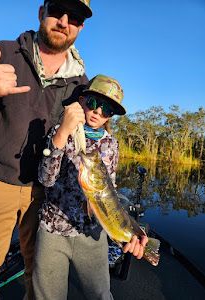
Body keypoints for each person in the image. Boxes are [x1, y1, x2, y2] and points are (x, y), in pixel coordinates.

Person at [0, 0, 92, 299]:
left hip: (43, 193)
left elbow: (81, 145)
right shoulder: (1, 52)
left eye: (76, 17)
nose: (64, 21)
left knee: (39, 272)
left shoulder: (80, 83)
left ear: (81, 27)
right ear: (42, 12)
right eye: (57, 10)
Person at [33, 74, 148, 299]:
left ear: (110, 116)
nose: (97, 112)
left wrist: (132, 232)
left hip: (91, 234)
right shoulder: (61, 131)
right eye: (94, 103)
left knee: (101, 295)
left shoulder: (111, 145)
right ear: (83, 101)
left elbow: (110, 195)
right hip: (53, 229)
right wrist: (62, 133)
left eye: (107, 109)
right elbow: (45, 180)